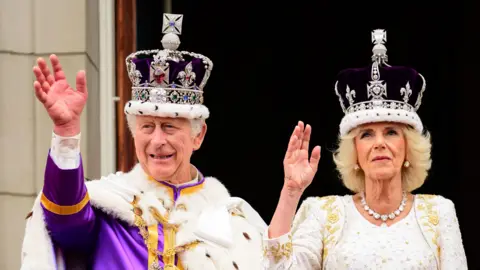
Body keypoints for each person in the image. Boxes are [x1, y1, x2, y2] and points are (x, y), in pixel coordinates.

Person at [21, 13, 266, 270]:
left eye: (169, 127)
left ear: (198, 135)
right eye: (147, 127)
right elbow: (64, 220)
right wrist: (66, 132)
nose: (157, 141)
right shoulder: (111, 206)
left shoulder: (230, 221)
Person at [262, 29, 467, 269]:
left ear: (408, 146)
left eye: (391, 132)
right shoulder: (324, 214)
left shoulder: (439, 213)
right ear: (355, 151)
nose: (379, 142)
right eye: (367, 134)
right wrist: (291, 191)